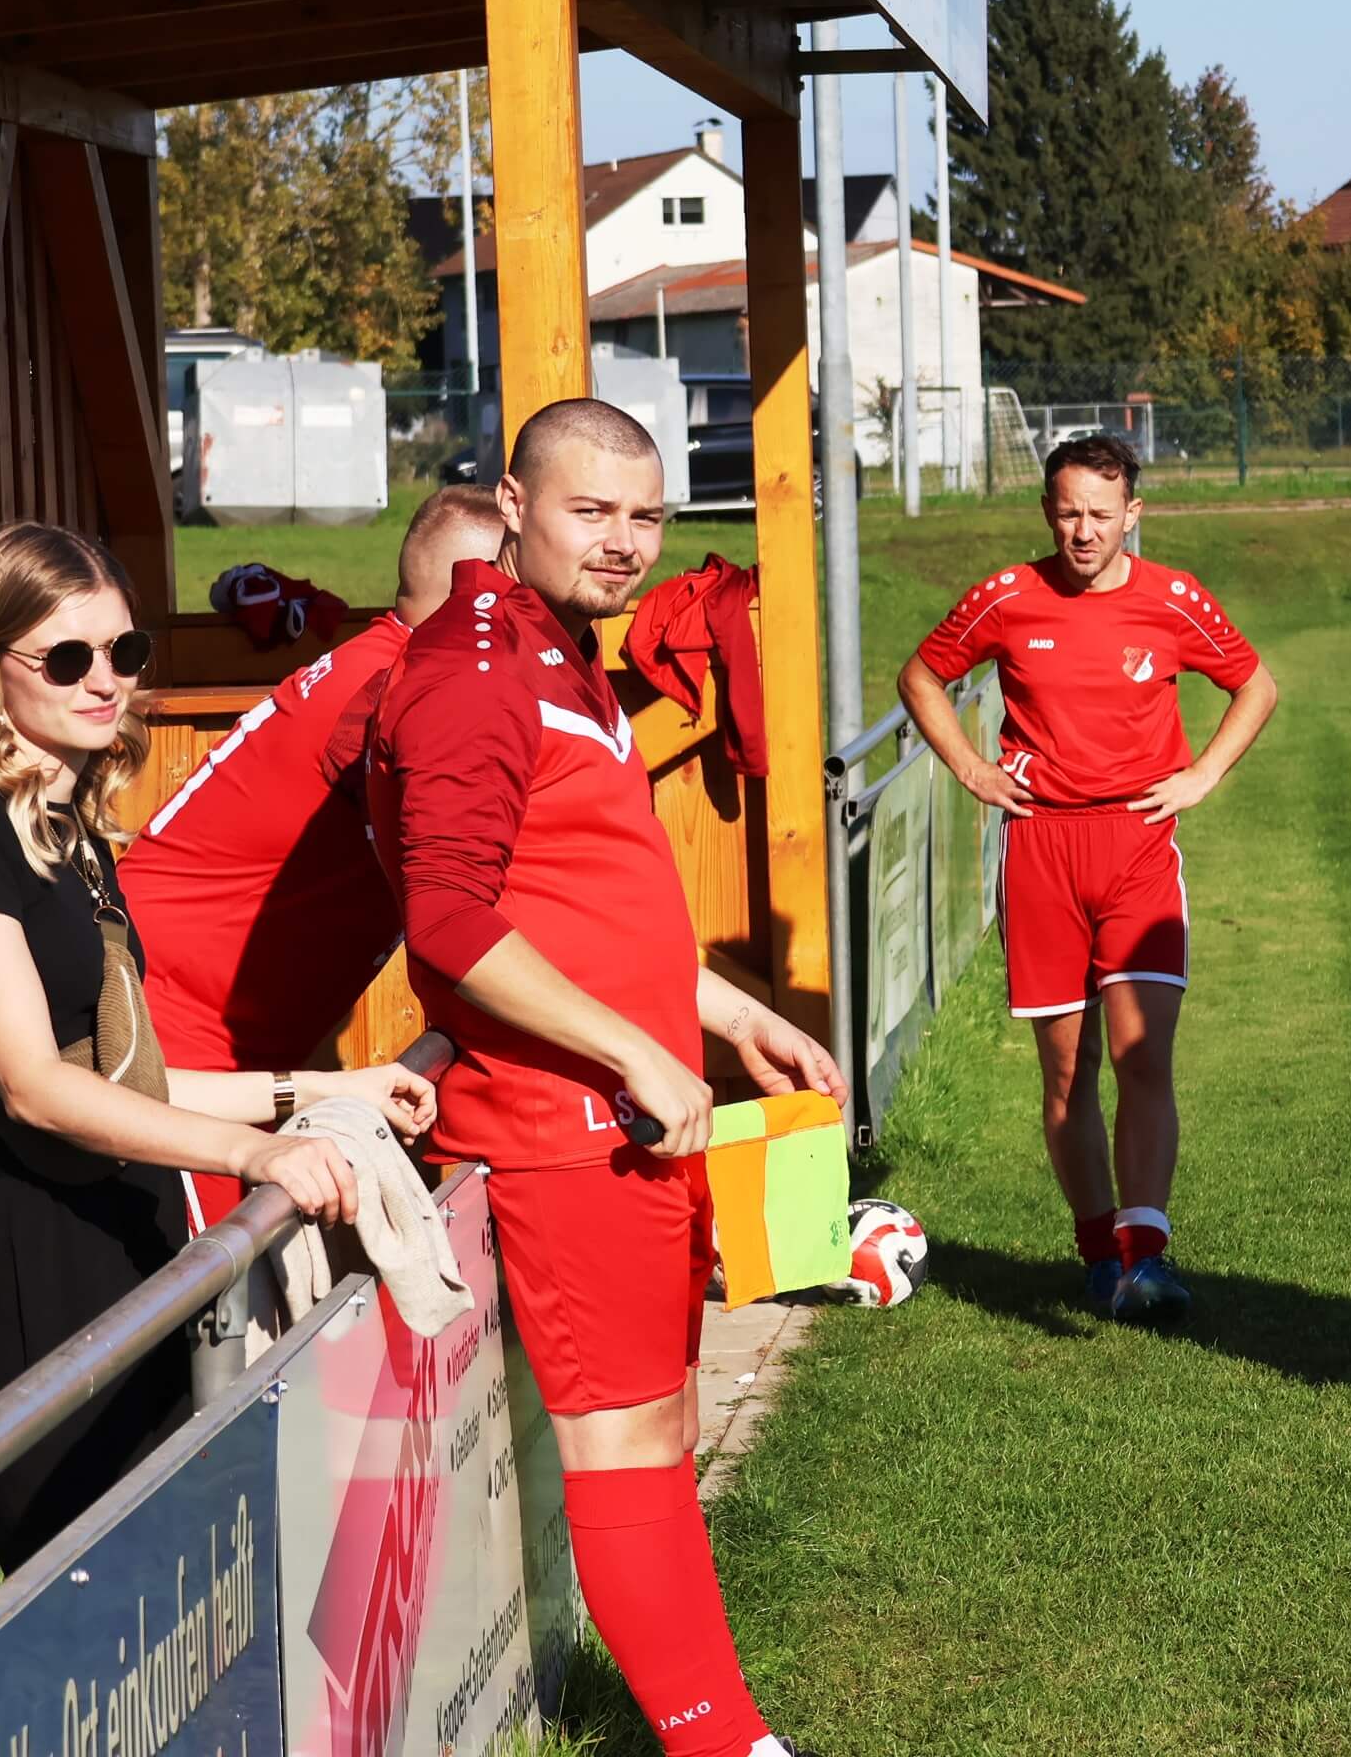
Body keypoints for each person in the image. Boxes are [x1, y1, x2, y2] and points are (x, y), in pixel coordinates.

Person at [360, 398, 845, 1757]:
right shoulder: (477, 672)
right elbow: (448, 921)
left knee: (661, 1423)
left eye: (646, 515)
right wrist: (633, 1050)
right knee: (623, 1444)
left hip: (630, 1111)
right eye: (591, 511)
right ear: (512, 506)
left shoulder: (559, 648)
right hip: (564, 1128)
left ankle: (724, 1733)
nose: (625, 541)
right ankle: (722, 1743)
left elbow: (582, 898)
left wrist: (723, 1013)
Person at [0, 523, 437, 1566]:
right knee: (91, 1602)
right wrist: (250, 1153)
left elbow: (131, 1081)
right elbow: (35, 1087)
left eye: (124, 652)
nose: (105, 682)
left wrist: (326, 1089)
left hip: (132, 1232)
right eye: (67, 658)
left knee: (189, 1590)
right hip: (39, 1250)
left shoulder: (69, 832)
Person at [898, 434, 1277, 1326]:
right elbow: (921, 676)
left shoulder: (1173, 599)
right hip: (1041, 852)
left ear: (1132, 515)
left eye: (1101, 515)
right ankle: (1100, 1254)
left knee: (1144, 1056)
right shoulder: (1006, 596)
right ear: (1046, 510)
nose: (1083, 531)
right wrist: (971, 769)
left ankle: (1148, 1259)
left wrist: (1203, 774)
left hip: (1137, 846)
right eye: (1068, 512)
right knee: (1070, 1071)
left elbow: (1255, 684)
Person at [122, 484, 509, 1232]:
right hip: (170, 1032)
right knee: (207, 1290)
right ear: (476, 596)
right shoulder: (399, 694)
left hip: (209, 1029)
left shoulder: (386, 663)